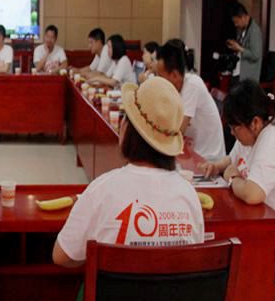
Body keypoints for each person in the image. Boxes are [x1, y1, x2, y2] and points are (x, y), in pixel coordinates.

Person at [53, 77, 204, 266]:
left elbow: (61, 256)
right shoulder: (189, 195)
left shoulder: (102, 189)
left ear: (126, 130)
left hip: (110, 287)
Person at [200, 80, 275, 283]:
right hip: (262, 232)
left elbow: (251, 194)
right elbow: (231, 160)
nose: (232, 133)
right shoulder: (254, 131)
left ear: (255, 123)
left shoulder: (272, 138)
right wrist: (216, 166)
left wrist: (232, 178)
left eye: (234, 128)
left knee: (216, 265)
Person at [156, 39, 225, 162]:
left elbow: (178, 131)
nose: (158, 80)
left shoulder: (192, 85)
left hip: (208, 159)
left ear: (174, 75)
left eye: (160, 76)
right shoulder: (176, 88)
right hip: (192, 151)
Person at [226, 0, 263, 84]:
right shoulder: (243, 29)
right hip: (237, 73)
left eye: (236, 22)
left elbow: (255, 55)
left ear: (243, 17)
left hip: (247, 77)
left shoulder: (254, 30)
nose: (235, 25)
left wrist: (239, 48)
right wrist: (235, 45)